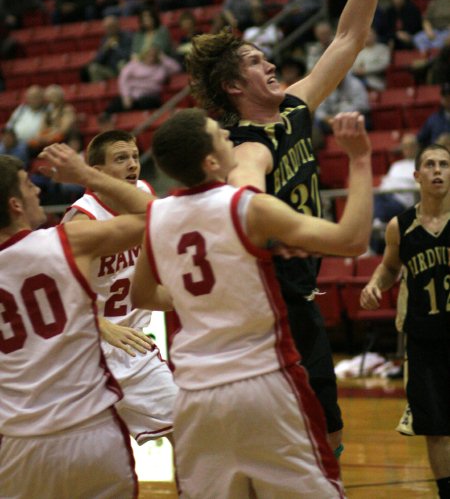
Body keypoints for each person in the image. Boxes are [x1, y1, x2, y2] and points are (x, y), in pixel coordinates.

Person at [186, 0, 405, 456]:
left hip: (299, 292)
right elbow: (245, 183)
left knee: (327, 429)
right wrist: (255, 212)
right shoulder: (243, 142)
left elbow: (349, 38)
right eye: (258, 62)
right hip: (266, 300)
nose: (272, 63)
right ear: (235, 87)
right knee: (295, 437)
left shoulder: (293, 107)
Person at [131, 107, 373, 499]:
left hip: (194, 394)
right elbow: (353, 239)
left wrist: (200, 300)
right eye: (221, 136)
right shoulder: (248, 207)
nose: (231, 139)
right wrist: (360, 159)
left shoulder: (157, 215)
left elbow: (141, 294)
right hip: (263, 383)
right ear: (211, 161)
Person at [0, 142, 158, 498]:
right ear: (14, 205)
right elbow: (158, 215)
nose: (38, 189)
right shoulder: (68, 241)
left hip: (20, 442)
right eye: (28, 184)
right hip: (90, 430)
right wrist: (87, 176)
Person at [63, 130, 178, 445]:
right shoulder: (81, 222)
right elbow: (63, 296)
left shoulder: (142, 193)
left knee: (190, 432)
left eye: (134, 157)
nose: (133, 165)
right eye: (121, 158)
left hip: (133, 349)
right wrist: (101, 326)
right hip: (87, 352)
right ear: (96, 173)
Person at [360, 143, 450, 499]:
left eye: (444, 164)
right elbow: (390, 268)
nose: (438, 170)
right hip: (423, 339)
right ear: (417, 176)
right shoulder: (401, 226)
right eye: (430, 164)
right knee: (436, 427)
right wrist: (374, 284)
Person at [370, 132, 419, 253]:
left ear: (417, 147)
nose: (408, 149)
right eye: (405, 146)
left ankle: (377, 226)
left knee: (378, 208)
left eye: (411, 145)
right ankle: (373, 242)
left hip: (403, 201)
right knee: (374, 199)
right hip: (386, 196)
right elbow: (385, 183)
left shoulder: (420, 164)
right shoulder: (396, 165)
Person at [104, 45, 180, 115]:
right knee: (116, 104)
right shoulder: (135, 64)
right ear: (144, 54)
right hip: (132, 96)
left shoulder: (161, 67)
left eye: (154, 54)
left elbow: (176, 68)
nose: (151, 56)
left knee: (145, 103)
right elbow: (123, 78)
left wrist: (163, 57)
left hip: (151, 96)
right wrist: (126, 96)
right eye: (149, 54)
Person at [83, 15, 133, 83]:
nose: (109, 30)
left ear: (117, 25)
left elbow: (128, 55)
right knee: (93, 68)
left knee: (122, 64)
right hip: (111, 70)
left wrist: (115, 46)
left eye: (111, 27)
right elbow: (98, 60)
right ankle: (100, 91)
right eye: (107, 28)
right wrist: (105, 49)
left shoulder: (127, 36)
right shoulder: (105, 39)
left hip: (125, 67)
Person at [417, 82, 450, 148]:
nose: (448, 99)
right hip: (437, 154)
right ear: (442, 98)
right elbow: (420, 139)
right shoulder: (433, 119)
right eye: (446, 97)